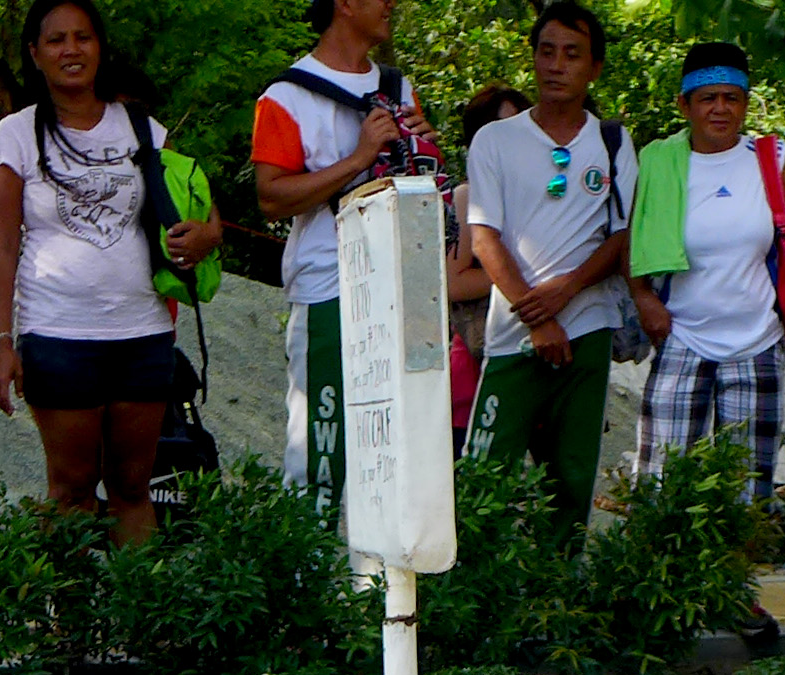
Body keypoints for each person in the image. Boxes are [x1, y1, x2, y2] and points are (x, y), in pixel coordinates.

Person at [0, 0, 224, 544]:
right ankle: (62, 603)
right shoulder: (15, 136)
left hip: (144, 333)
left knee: (134, 487)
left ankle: (136, 601)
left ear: (99, 46)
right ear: (34, 54)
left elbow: (201, 204)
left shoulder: (142, 128)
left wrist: (206, 236)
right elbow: (0, 244)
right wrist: (1, 342)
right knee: (71, 490)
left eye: (83, 37)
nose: (71, 50)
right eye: (56, 40)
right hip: (57, 335)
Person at [626, 40, 785, 537]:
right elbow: (634, 235)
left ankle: (737, 580)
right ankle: (663, 579)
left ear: (745, 104)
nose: (720, 108)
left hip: (756, 343)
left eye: (732, 98)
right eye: (707, 98)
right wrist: (643, 297)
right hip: (681, 338)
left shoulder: (769, 158)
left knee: (746, 493)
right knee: (661, 487)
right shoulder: (656, 160)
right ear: (685, 105)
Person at [251, 0, 439, 521]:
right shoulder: (286, 95)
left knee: (396, 447)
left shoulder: (397, 88)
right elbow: (271, 198)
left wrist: (423, 148)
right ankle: (309, 564)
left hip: (401, 287)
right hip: (328, 287)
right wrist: (358, 158)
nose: (391, 3)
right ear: (345, 3)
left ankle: (379, 568)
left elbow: (418, 185)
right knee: (322, 447)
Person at [459, 3, 635, 524]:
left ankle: (560, 577)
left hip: (589, 328)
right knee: (482, 481)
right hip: (512, 333)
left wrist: (567, 290)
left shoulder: (613, 141)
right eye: (547, 51)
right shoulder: (495, 140)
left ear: (594, 67)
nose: (556, 65)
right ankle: (472, 577)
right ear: (533, 57)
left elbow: (623, 235)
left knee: (571, 481)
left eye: (572, 54)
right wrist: (537, 317)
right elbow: (484, 237)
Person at [447, 87, 527, 441]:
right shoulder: (468, 196)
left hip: (534, 352)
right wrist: (519, 277)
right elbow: (454, 283)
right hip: (477, 361)